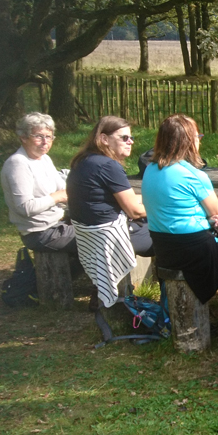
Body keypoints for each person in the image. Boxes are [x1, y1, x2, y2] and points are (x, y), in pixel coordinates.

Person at [141, 114, 218, 302]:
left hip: (164, 249)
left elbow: (176, 207)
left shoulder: (150, 169)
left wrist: (205, 219)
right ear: (187, 141)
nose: (199, 141)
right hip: (194, 253)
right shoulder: (192, 174)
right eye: (197, 137)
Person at [67, 116, 152, 307]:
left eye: (131, 137)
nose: (131, 142)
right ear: (104, 139)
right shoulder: (108, 165)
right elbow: (135, 211)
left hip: (90, 235)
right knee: (167, 236)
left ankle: (102, 291)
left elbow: (118, 200)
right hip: (109, 236)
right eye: (124, 138)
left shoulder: (84, 161)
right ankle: (168, 303)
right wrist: (167, 207)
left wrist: (153, 200)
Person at [1, 112, 77, 256]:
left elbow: (62, 188)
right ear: (23, 137)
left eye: (48, 137)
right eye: (38, 136)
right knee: (101, 237)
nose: (45, 142)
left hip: (59, 222)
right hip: (41, 233)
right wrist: (56, 197)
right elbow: (25, 207)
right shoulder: (18, 163)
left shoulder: (44, 158)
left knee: (105, 227)